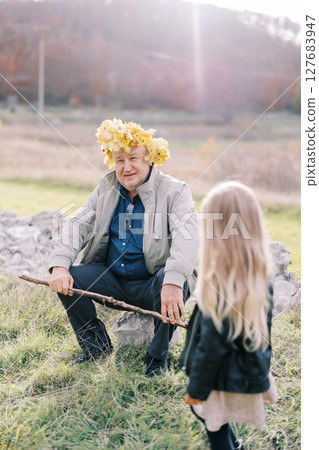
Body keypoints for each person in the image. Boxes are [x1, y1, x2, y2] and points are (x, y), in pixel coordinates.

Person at [49, 118, 199, 377]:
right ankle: (95, 347)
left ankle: (156, 357)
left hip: (152, 283)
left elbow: (187, 239)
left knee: (174, 279)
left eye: (133, 158)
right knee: (68, 277)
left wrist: (174, 282)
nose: (126, 167)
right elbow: (78, 225)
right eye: (119, 160)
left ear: (149, 159)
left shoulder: (175, 191)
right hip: (112, 280)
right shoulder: (106, 188)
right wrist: (60, 264)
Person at [180, 181, 277, 449]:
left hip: (215, 379)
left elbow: (211, 348)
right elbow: (265, 334)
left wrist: (196, 390)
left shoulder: (218, 284)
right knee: (219, 420)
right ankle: (237, 445)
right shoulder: (260, 277)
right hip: (242, 369)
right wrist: (261, 375)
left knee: (213, 425)